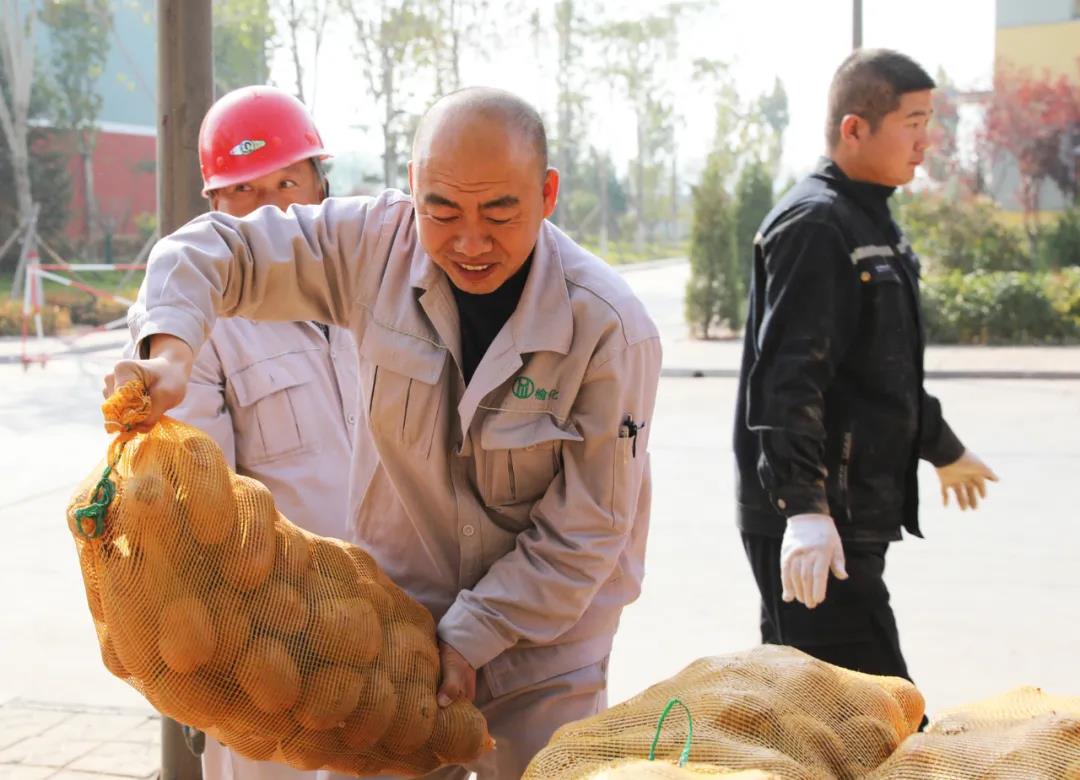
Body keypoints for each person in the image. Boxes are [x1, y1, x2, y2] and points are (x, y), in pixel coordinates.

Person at [106, 86, 661, 779]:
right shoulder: (373, 247)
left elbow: (589, 528)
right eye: (442, 209)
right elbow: (213, 249)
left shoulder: (609, 327)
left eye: (499, 210)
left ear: (547, 194)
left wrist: (469, 636)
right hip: (391, 640)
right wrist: (170, 351)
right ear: (411, 190)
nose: (469, 240)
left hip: (545, 654)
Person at [734, 49, 999, 684]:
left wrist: (943, 447)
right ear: (855, 129)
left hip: (848, 517)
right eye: (912, 121)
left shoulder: (869, 221)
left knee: (811, 710)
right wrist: (803, 508)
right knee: (881, 714)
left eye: (928, 120)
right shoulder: (817, 224)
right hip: (818, 524)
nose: (926, 140)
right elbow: (787, 379)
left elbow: (881, 373)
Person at [166, 85, 359, 780]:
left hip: (397, 641)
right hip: (273, 653)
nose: (272, 207)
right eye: (244, 190)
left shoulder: (377, 292)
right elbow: (206, 507)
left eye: (287, 181)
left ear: (321, 185)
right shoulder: (199, 324)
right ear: (214, 207)